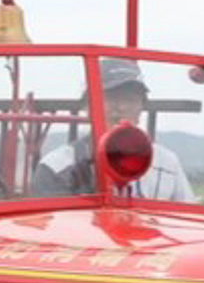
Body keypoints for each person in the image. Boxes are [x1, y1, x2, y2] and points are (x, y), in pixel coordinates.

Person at [36, 58, 194, 202]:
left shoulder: (167, 163)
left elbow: (186, 216)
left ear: (141, 108)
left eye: (130, 99)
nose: (122, 107)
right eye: (112, 98)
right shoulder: (57, 166)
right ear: (87, 106)